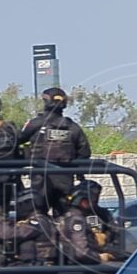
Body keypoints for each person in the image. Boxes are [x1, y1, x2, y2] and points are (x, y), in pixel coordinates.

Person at [19, 87, 91, 215]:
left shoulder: (36, 123)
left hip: (41, 180)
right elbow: (84, 152)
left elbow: (17, 140)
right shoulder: (73, 127)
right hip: (65, 180)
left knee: (37, 218)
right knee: (65, 219)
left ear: (46, 102)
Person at [0, 190, 58, 266]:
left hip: (39, 267)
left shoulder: (40, 221)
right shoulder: (30, 220)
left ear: (29, 204)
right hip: (30, 266)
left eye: (20, 204)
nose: (17, 207)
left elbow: (12, 232)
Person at [57, 180, 122, 264]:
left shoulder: (101, 214)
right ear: (82, 200)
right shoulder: (75, 218)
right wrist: (100, 257)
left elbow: (115, 232)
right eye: (91, 199)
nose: (93, 202)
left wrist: (105, 238)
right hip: (80, 265)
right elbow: (81, 252)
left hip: (91, 257)